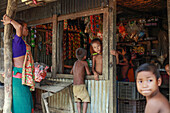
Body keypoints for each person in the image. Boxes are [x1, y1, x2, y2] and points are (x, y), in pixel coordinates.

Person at [1, 14, 35, 113]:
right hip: (19, 78)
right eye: (26, 28)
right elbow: (19, 27)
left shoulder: (21, 42)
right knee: (22, 105)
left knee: (26, 102)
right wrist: (10, 21)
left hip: (22, 78)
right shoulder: (17, 41)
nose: (27, 30)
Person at [70, 48, 91, 113]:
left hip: (74, 86)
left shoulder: (75, 63)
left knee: (78, 100)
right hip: (81, 86)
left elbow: (71, 72)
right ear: (85, 56)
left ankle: (79, 112)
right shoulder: (84, 63)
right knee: (85, 99)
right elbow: (88, 73)